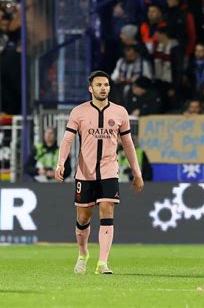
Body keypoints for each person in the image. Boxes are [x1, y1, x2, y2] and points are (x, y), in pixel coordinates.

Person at [55, 70, 144, 275]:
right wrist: (61, 164)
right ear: (90, 88)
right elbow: (67, 140)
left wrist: (136, 172)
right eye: (99, 85)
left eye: (106, 85)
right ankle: (82, 254)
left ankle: (102, 263)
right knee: (84, 217)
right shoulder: (79, 112)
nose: (103, 88)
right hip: (85, 173)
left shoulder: (120, 112)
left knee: (107, 210)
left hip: (109, 171)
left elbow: (128, 145)